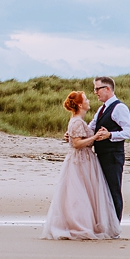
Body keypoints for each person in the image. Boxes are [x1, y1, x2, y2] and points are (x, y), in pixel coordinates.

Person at [41, 91, 121, 240]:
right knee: (79, 193)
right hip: (80, 160)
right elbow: (77, 144)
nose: (89, 101)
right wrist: (95, 137)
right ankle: (79, 225)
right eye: (85, 99)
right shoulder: (77, 121)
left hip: (85, 160)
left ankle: (85, 224)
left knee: (84, 193)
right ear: (79, 104)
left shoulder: (79, 121)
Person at [89, 76, 130, 221]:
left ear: (107, 89)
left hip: (113, 156)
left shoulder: (119, 108)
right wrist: (73, 134)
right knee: (103, 191)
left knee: (113, 190)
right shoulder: (102, 109)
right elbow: (91, 128)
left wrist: (110, 135)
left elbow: (128, 132)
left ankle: (115, 225)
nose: (95, 92)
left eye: (97, 89)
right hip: (101, 155)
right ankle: (107, 222)